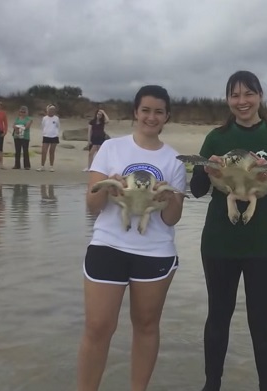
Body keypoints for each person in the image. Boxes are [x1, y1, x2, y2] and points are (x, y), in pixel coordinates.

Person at [189, 70, 267, 391]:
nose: (242, 102)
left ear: (260, 96)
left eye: (248, 94)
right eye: (235, 95)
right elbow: (198, 189)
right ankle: (212, 385)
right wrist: (205, 169)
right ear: (228, 99)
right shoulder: (216, 137)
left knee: (262, 324)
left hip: (265, 244)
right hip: (219, 242)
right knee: (218, 317)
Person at [77, 85, 187, 391]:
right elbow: (92, 205)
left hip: (155, 251)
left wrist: (168, 195)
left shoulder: (175, 159)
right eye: (146, 110)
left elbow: (170, 218)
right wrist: (109, 190)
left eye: (159, 112)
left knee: (147, 326)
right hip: (108, 245)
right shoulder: (111, 149)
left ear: (167, 116)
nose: (151, 117)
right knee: (97, 327)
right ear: (135, 113)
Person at [38, 105, 60, 172]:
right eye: (50, 109)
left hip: (54, 136)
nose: (52, 111)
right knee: (44, 151)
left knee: (52, 151)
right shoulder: (45, 118)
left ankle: (51, 166)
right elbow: (43, 126)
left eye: (53, 110)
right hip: (46, 136)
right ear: (47, 110)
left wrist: (56, 133)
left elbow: (58, 126)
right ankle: (42, 166)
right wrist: (45, 132)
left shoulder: (56, 118)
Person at [12, 106, 33, 170]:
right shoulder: (17, 118)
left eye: (24, 112)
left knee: (25, 151)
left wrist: (18, 128)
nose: (22, 113)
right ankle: (17, 165)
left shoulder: (29, 119)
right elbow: (13, 125)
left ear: (26, 112)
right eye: (21, 111)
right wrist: (16, 128)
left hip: (25, 137)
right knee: (17, 151)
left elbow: (27, 126)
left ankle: (27, 165)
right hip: (17, 136)